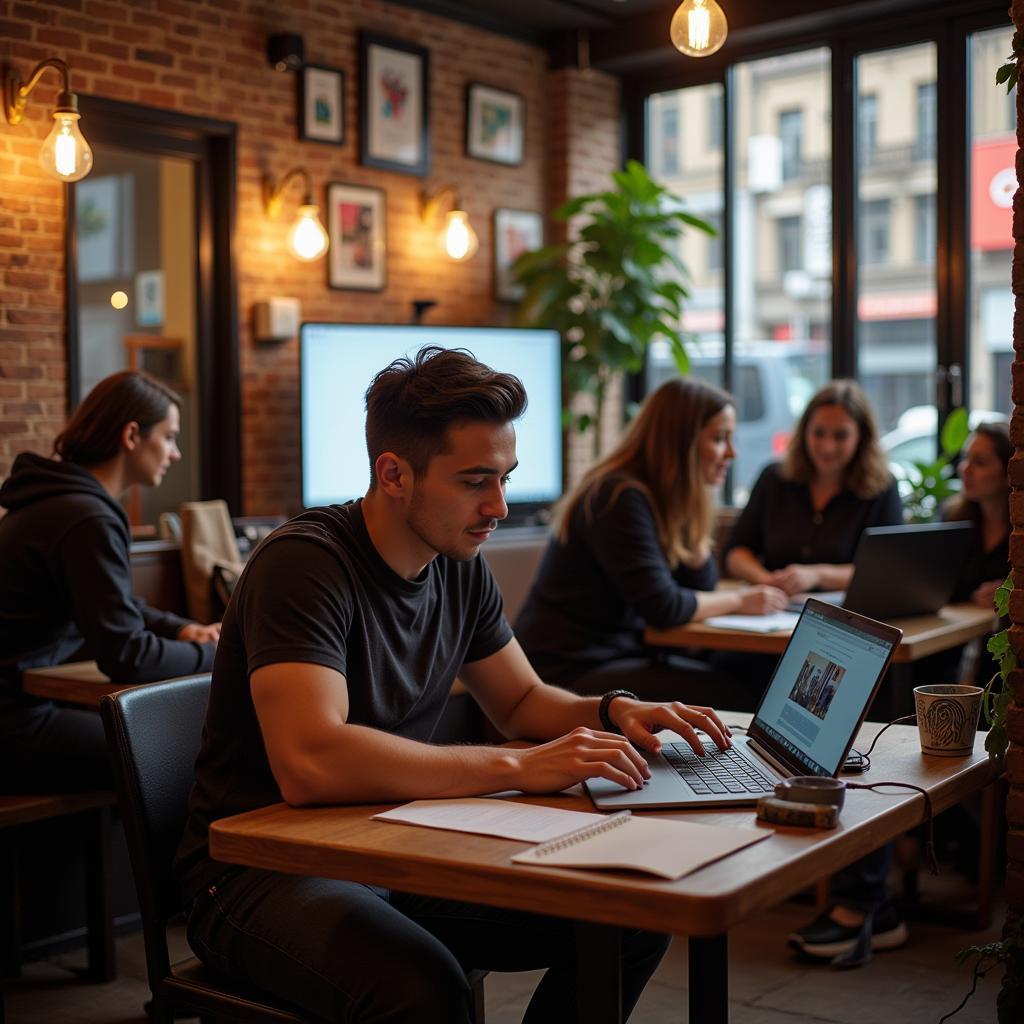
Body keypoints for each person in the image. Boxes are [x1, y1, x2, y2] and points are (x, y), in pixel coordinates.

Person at [175, 347, 734, 1024]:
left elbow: (522, 700)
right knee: (424, 990)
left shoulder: (456, 561)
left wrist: (616, 710)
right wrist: (516, 765)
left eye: (504, 478)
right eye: (475, 481)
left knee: (627, 915)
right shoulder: (304, 565)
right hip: (257, 874)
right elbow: (310, 763)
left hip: (383, 845)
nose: (498, 505)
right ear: (394, 474)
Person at [0, 370, 219, 793]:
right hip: (16, 724)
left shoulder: (57, 502)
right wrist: (215, 654)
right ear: (132, 435)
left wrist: (179, 629)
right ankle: (195, 861)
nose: (175, 453)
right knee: (197, 750)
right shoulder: (87, 517)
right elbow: (127, 655)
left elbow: (117, 606)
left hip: (24, 709)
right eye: (170, 436)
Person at [514, 376, 789, 709]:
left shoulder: (656, 498)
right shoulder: (617, 496)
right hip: (568, 672)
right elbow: (664, 607)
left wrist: (689, 511)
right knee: (744, 695)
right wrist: (740, 600)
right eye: (719, 439)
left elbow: (701, 583)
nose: (731, 452)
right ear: (681, 442)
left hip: (616, 655)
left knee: (748, 671)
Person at [723, 379, 904, 596]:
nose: (827, 446)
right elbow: (736, 552)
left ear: (861, 438)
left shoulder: (882, 488)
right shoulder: (774, 478)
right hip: (772, 609)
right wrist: (767, 582)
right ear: (804, 432)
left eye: (841, 436)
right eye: (818, 433)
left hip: (844, 620)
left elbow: (884, 570)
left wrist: (817, 575)